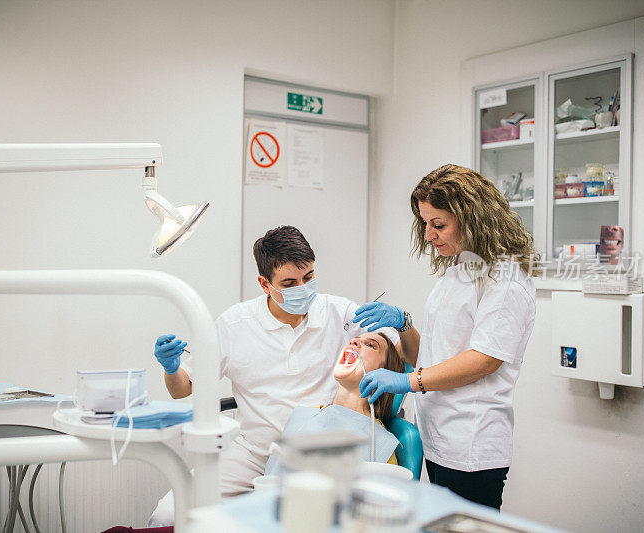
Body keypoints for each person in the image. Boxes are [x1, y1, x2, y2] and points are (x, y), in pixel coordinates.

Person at [148, 226, 399, 525]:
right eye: (290, 283)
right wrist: (171, 367)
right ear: (265, 284)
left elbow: (393, 353)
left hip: (313, 456)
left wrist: (401, 322)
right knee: (166, 515)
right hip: (252, 453)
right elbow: (182, 389)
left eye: (308, 278)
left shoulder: (340, 313)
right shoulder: (235, 324)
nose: (304, 289)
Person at [354, 164, 538, 509]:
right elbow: (434, 357)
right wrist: (403, 323)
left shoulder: (505, 279)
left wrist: (406, 381)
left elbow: (483, 361)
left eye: (438, 224)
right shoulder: (459, 270)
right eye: (424, 223)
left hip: (470, 442)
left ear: (473, 220)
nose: (428, 234)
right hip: (438, 435)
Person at [263, 331, 407, 475]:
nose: (353, 343)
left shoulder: (381, 444)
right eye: (354, 340)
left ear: (386, 373)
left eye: (370, 345)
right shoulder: (301, 415)